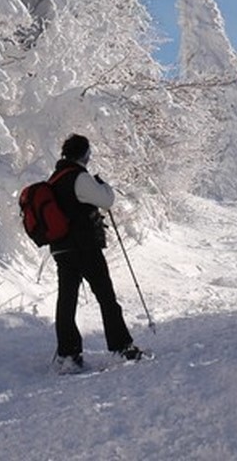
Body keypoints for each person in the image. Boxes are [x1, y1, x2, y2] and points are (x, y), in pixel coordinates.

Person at [49, 133, 145, 371]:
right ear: (84, 154)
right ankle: (122, 347)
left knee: (66, 301)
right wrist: (102, 184)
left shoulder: (54, 178)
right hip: (85, 247)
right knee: (106, 298)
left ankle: (68, 355)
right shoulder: (79, 177)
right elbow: (106, 200)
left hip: (61, 249)